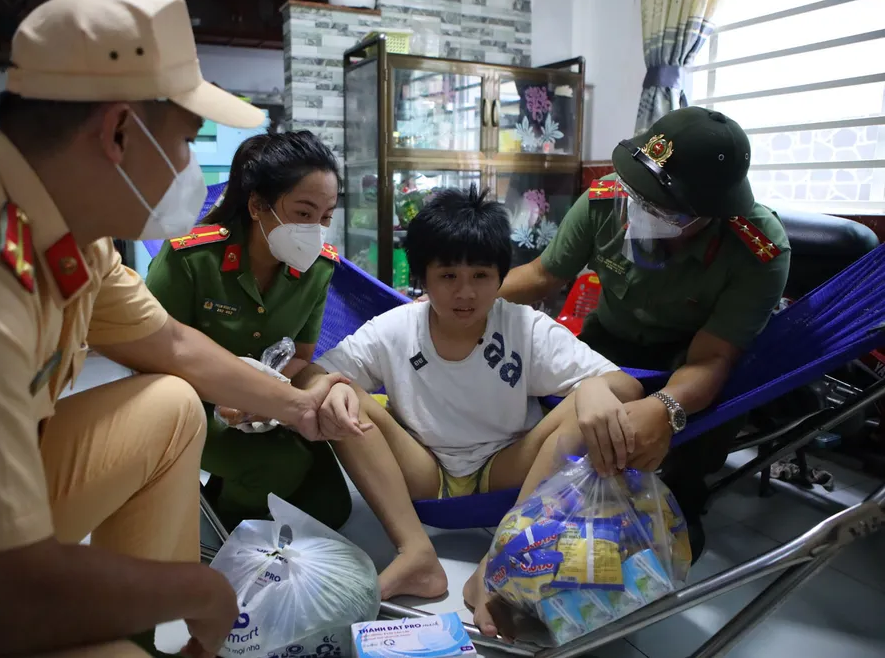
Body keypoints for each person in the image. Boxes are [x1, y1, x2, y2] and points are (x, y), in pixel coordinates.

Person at [0, 0, 351, 657]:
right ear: (119, 133)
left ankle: (134, 627)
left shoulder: (64, 230)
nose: (191, 169)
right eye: (187, 142)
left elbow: (171, 344)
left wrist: (302, 408)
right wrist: (197, 591)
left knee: (168, 404)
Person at [292, 186, 645, 634]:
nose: (465, 293)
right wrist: (328, 385)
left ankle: (499, 560)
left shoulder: (524, 327)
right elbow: (308, 375)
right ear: (422, 277)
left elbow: (628, 387)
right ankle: (416, 555)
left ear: (501, 277)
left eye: (481, 275)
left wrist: (594, 387)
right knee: (341, 395)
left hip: (507, 469)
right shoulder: (394, 328)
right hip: (425, 471)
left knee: (587, 402)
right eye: (447, 276)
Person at [497, 106, 791, 559]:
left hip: (689, 358)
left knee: (685, 446)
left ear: (707, 212)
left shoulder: (757, 250)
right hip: (609, 342)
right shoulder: (606, 202)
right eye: (640, 193)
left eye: (659, 205)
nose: (639, 207)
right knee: (556, 418)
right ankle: (547, 517)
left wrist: (665, 407)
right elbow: (541, 275)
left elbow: (712, 357)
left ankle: (677, 515)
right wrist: (468, 297)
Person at [145, 131, 354, 530]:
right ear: (258, 206)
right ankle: (222, 530)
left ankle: (230, 490)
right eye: (304, 213)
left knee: (331, 505)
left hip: (264, 403)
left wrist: (268, 398)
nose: (316, 230)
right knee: (281, 464)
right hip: (185, 403)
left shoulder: (319, 267)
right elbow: (152, 354)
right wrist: (229, 398)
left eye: (326, 217)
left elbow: (301, 355)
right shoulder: (191, 258)